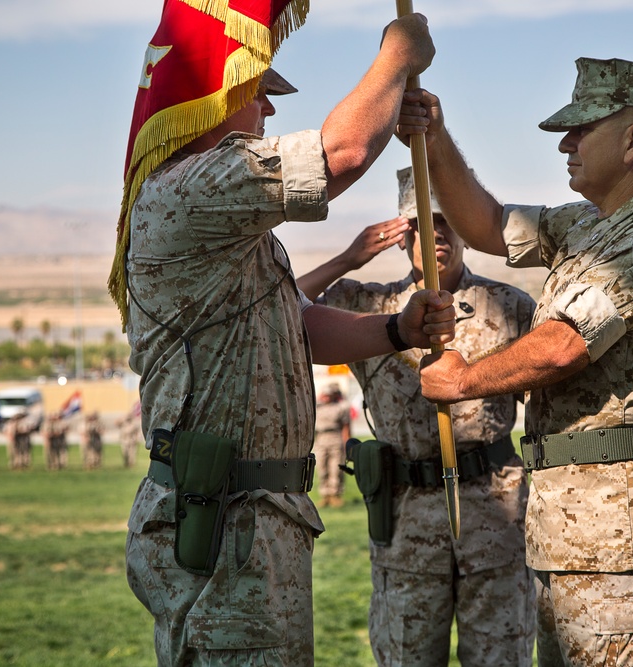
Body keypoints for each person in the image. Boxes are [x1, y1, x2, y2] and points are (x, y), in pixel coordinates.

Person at [116, 8, 452, 667]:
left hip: (254, 519)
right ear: (205, 100)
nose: (268, 110)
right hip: (225, 524)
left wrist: (393, 328)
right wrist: (395, 58)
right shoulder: (187, 193)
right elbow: (340, 154)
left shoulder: (231, 223)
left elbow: (297, 322)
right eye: (256, 91)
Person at [401, 57, 633, 665]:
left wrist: (465, 379)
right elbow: (489, 224)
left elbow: (563, 344)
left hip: (625, 545)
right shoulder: (586, 225)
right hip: (571, 533)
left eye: (581, 130)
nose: (566, 145)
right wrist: (434, 140)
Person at [297, 167, 538, 667]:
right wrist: (348, 257)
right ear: (403, 231)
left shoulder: (509, 307)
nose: (437, 234)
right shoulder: (368, 306)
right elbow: (279, 314)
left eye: (449, 220)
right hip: (407, 524)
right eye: (423, 221)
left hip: (497, 516)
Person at [312, 383, 351, 508]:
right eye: (325, 394)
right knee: (322, 467)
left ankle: (335, 495)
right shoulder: (317, 407)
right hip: (321, 439)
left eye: (329, 394)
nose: (326, 397)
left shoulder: (341, 408)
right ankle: (325, 495)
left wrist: (347, 443)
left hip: (335, 438)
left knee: (336, 468)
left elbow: (346, 427)